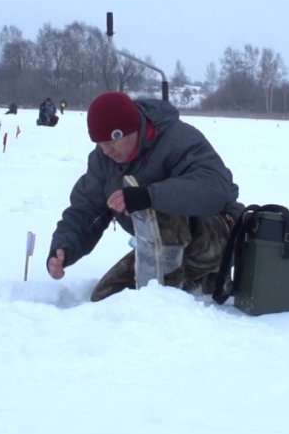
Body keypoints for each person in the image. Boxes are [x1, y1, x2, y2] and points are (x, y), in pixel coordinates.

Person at [47, 91, 243, 302]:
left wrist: (148, 195)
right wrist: (64, 247)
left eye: (111, 142)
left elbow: (215, 187)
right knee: (105, 298)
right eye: (100, 143)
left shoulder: (178, 138)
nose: (106, 151)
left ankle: (165, 303)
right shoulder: (104, 161)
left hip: (220, 237)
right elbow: (85, 209)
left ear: (130, 130)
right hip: (159, 251)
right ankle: (193, 283)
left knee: (157, 209)